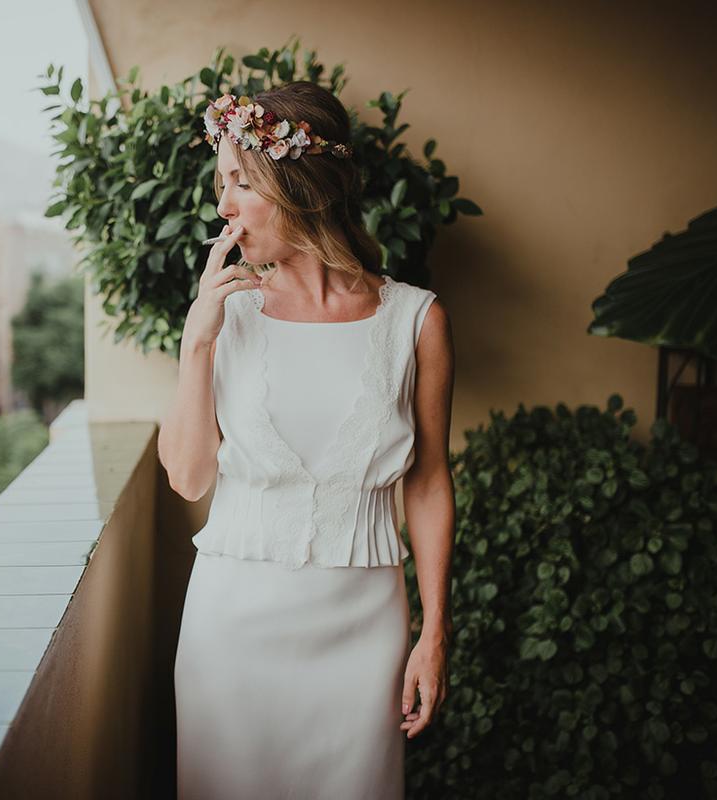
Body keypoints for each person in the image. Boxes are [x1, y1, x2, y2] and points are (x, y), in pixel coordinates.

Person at [160, 81, 456, 799]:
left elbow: (427, 481)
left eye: (242, 182)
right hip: (231, 630)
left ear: (303, 188)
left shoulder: (416, 321)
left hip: (365, 630)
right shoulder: (226, 317)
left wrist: (435, 632)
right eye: (222, 184)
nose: (224, 207)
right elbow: (189, 478)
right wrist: (196, 342)